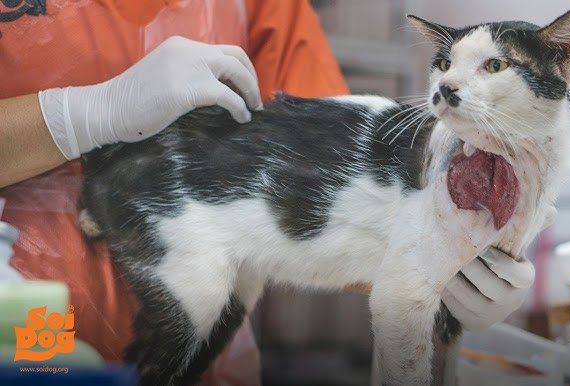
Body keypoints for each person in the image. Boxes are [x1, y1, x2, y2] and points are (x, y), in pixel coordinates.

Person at [0, 0, 534, 383]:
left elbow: (328, 210)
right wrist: (78, 116)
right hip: (24, 329)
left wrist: (445, 269)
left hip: (207, 359)